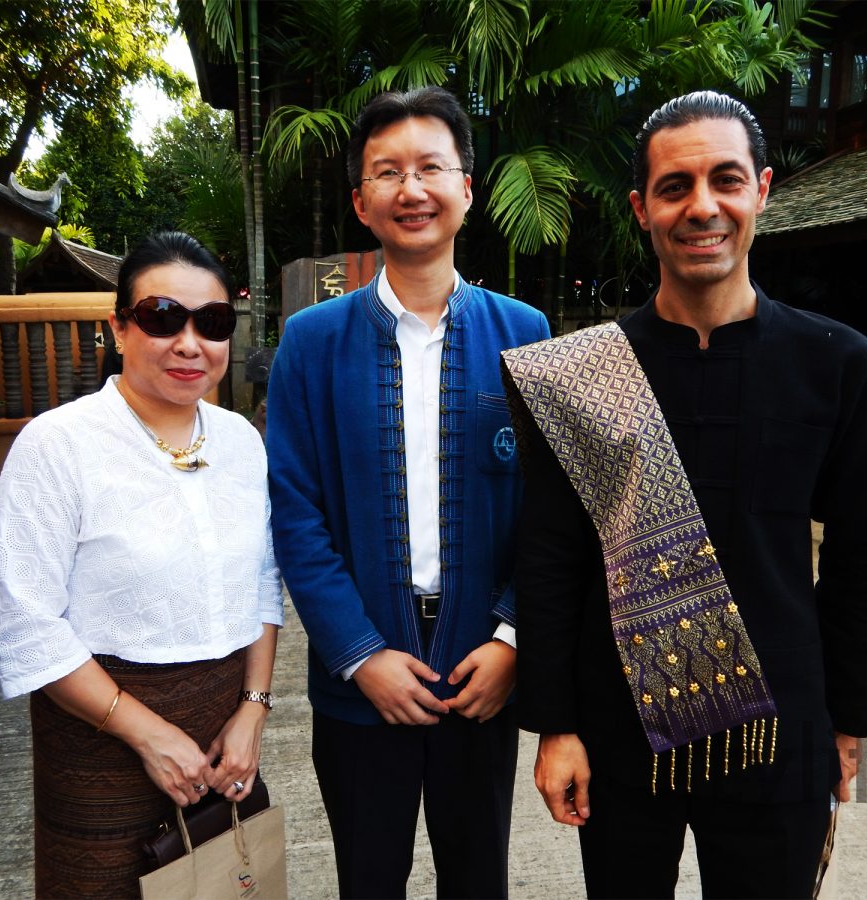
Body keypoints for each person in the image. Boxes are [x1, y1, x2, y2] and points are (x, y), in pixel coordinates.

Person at [503, 91, 867, 898]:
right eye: (675, 187)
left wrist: (851, 722)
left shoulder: (837, 362)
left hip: (780, 726)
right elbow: (550, 556)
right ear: (641, 208)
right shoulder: (580, 374)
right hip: (618, 731)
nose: (702, 207)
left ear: (762, 190)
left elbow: (863, 559)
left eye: (726, 179)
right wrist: (555, 725)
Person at [266, 86, 550, 898]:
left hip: (481, 671)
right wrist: (359, 655)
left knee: (478, 879)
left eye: (431, 168)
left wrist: (511, 639)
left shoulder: (525, 334)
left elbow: (552, 510)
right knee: (369, 879)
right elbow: (295, 512)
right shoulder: (311, 344)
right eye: (387, 172)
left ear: (467, 188)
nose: (411, 189)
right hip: (361, 683)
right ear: (362, 202)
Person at [0, 231, 283, 897]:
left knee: (225, 883)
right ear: (119, 327)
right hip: (100, 738)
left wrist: (254, 710)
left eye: (211, 322)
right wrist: (146, 733)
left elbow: (262, 581)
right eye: (162, 317)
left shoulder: (240, 440)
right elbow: (27, 622)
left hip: (224, 741)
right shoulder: (58, 446)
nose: (189, 343)